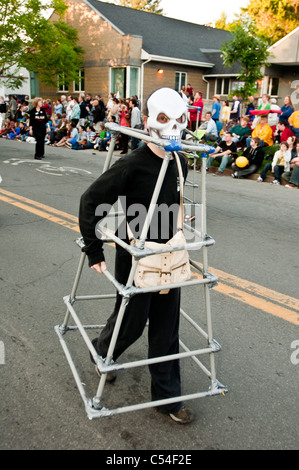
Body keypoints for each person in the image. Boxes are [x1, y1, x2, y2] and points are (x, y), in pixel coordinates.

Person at [79, 87, 194, 425]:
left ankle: (168, 399)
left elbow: (172, 198)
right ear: (147, 122)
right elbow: (91, 200)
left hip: (170, 254)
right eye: (162, 118)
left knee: (166, 328)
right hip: (136, 254)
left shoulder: (180, 160)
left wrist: (179, 218)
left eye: (179, 118)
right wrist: (93, 248)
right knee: (131, 322)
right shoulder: (132, 164)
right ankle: (104, 350)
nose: (172, 126)